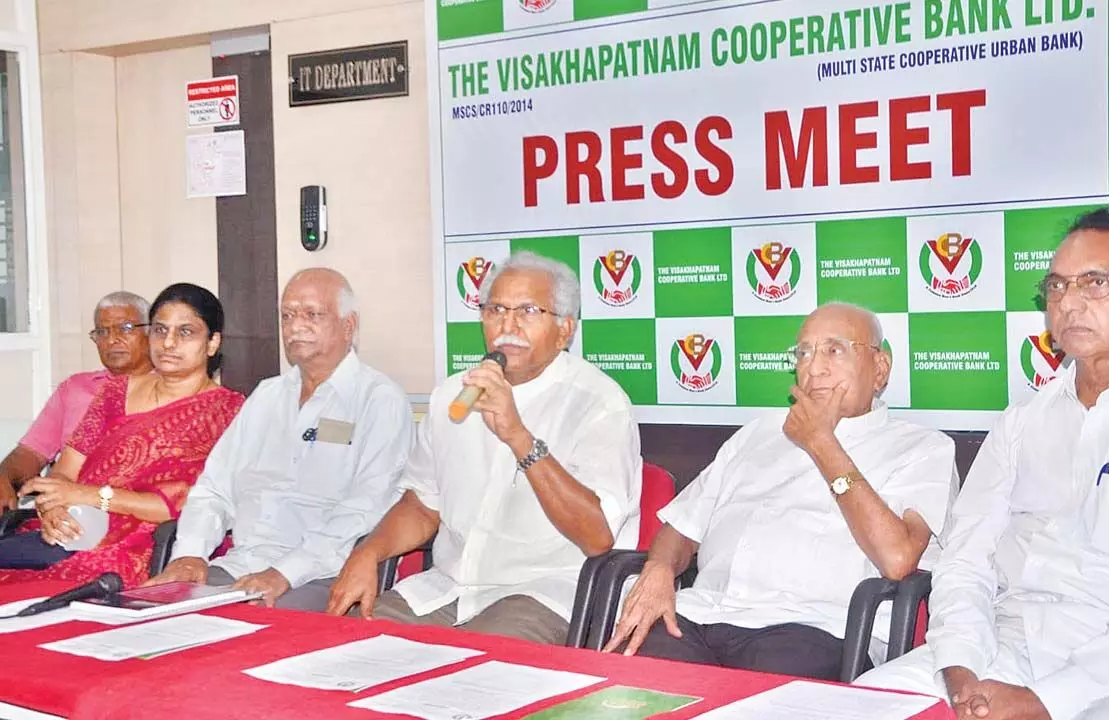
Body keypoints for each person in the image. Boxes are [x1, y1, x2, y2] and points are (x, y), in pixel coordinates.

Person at [858, 209, 1109, 719]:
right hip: (1002, 646)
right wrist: (959, 665)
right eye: (1057, 286)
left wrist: (1049, 700)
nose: (1070, 302)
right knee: (862, 704)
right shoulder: (1021, 422)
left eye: (1097, 283)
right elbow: (964, 560)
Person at [602, 303, 957, 680]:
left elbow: (898, 558)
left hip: (813, 628)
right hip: (700, 615)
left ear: (880, 369)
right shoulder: (756, 434)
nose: (813, 367)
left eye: (834, 351)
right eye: (804, 352)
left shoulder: (922, 448)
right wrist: (659, 568)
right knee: (629, 682)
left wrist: (823, 444)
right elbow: (684, 525)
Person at [327, 252, 641, 645]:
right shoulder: (451, 395)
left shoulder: (598, 403)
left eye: (527, 310)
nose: (508, 326)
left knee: (472, 675)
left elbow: (597, 536)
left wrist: (518, 436)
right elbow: (424, 503)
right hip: (445, 590)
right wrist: (369, 552)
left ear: (565, 330)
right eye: (496, 309)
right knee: (350, 647)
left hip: (542, 595)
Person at [148, 268, 414, 611]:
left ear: (349, 326)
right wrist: (189, 554)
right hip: (239, 568)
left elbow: (365, 510)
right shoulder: (267, 395)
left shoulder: (379, 400)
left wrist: (283, 573)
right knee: (153, 615)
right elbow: (214, 487)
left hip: (321, 576)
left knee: (236, 636)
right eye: (287, 315)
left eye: (312, 314)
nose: (295, 325)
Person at [0, 283, 243, 586]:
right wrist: (54, 510)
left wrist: (93, 496)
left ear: (212, 343)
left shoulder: (228, 412)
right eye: (159, 330)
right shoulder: (114, 393)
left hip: (147, 546)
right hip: (74, 531)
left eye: (185, 332)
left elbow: (190, 505)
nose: (168, 343)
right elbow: (63, 474)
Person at [0, 292, 153, 511]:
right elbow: (31, 452)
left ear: (151, 333)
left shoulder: (169, 391)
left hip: (131, 513)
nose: (111, 340)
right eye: (102, 331)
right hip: (63, 513)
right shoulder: (75, 389)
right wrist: (4, 476)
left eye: (125, 328)